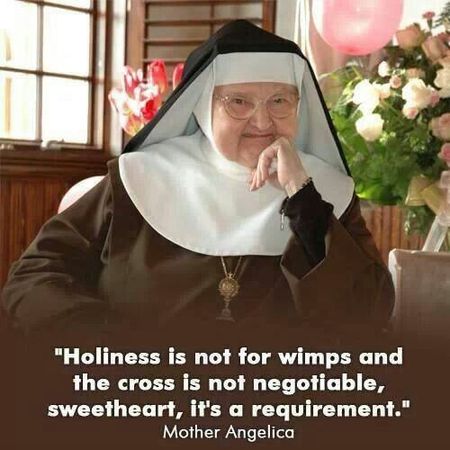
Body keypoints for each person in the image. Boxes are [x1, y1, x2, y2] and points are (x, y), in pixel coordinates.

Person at [1, 20, 394, 335]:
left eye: (279, 101)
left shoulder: (326, 192)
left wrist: (302, 197)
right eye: (238, 102)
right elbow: (33, 276)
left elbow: (367, 313)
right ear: (203, 107)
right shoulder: (138, 178)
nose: (262, 122)